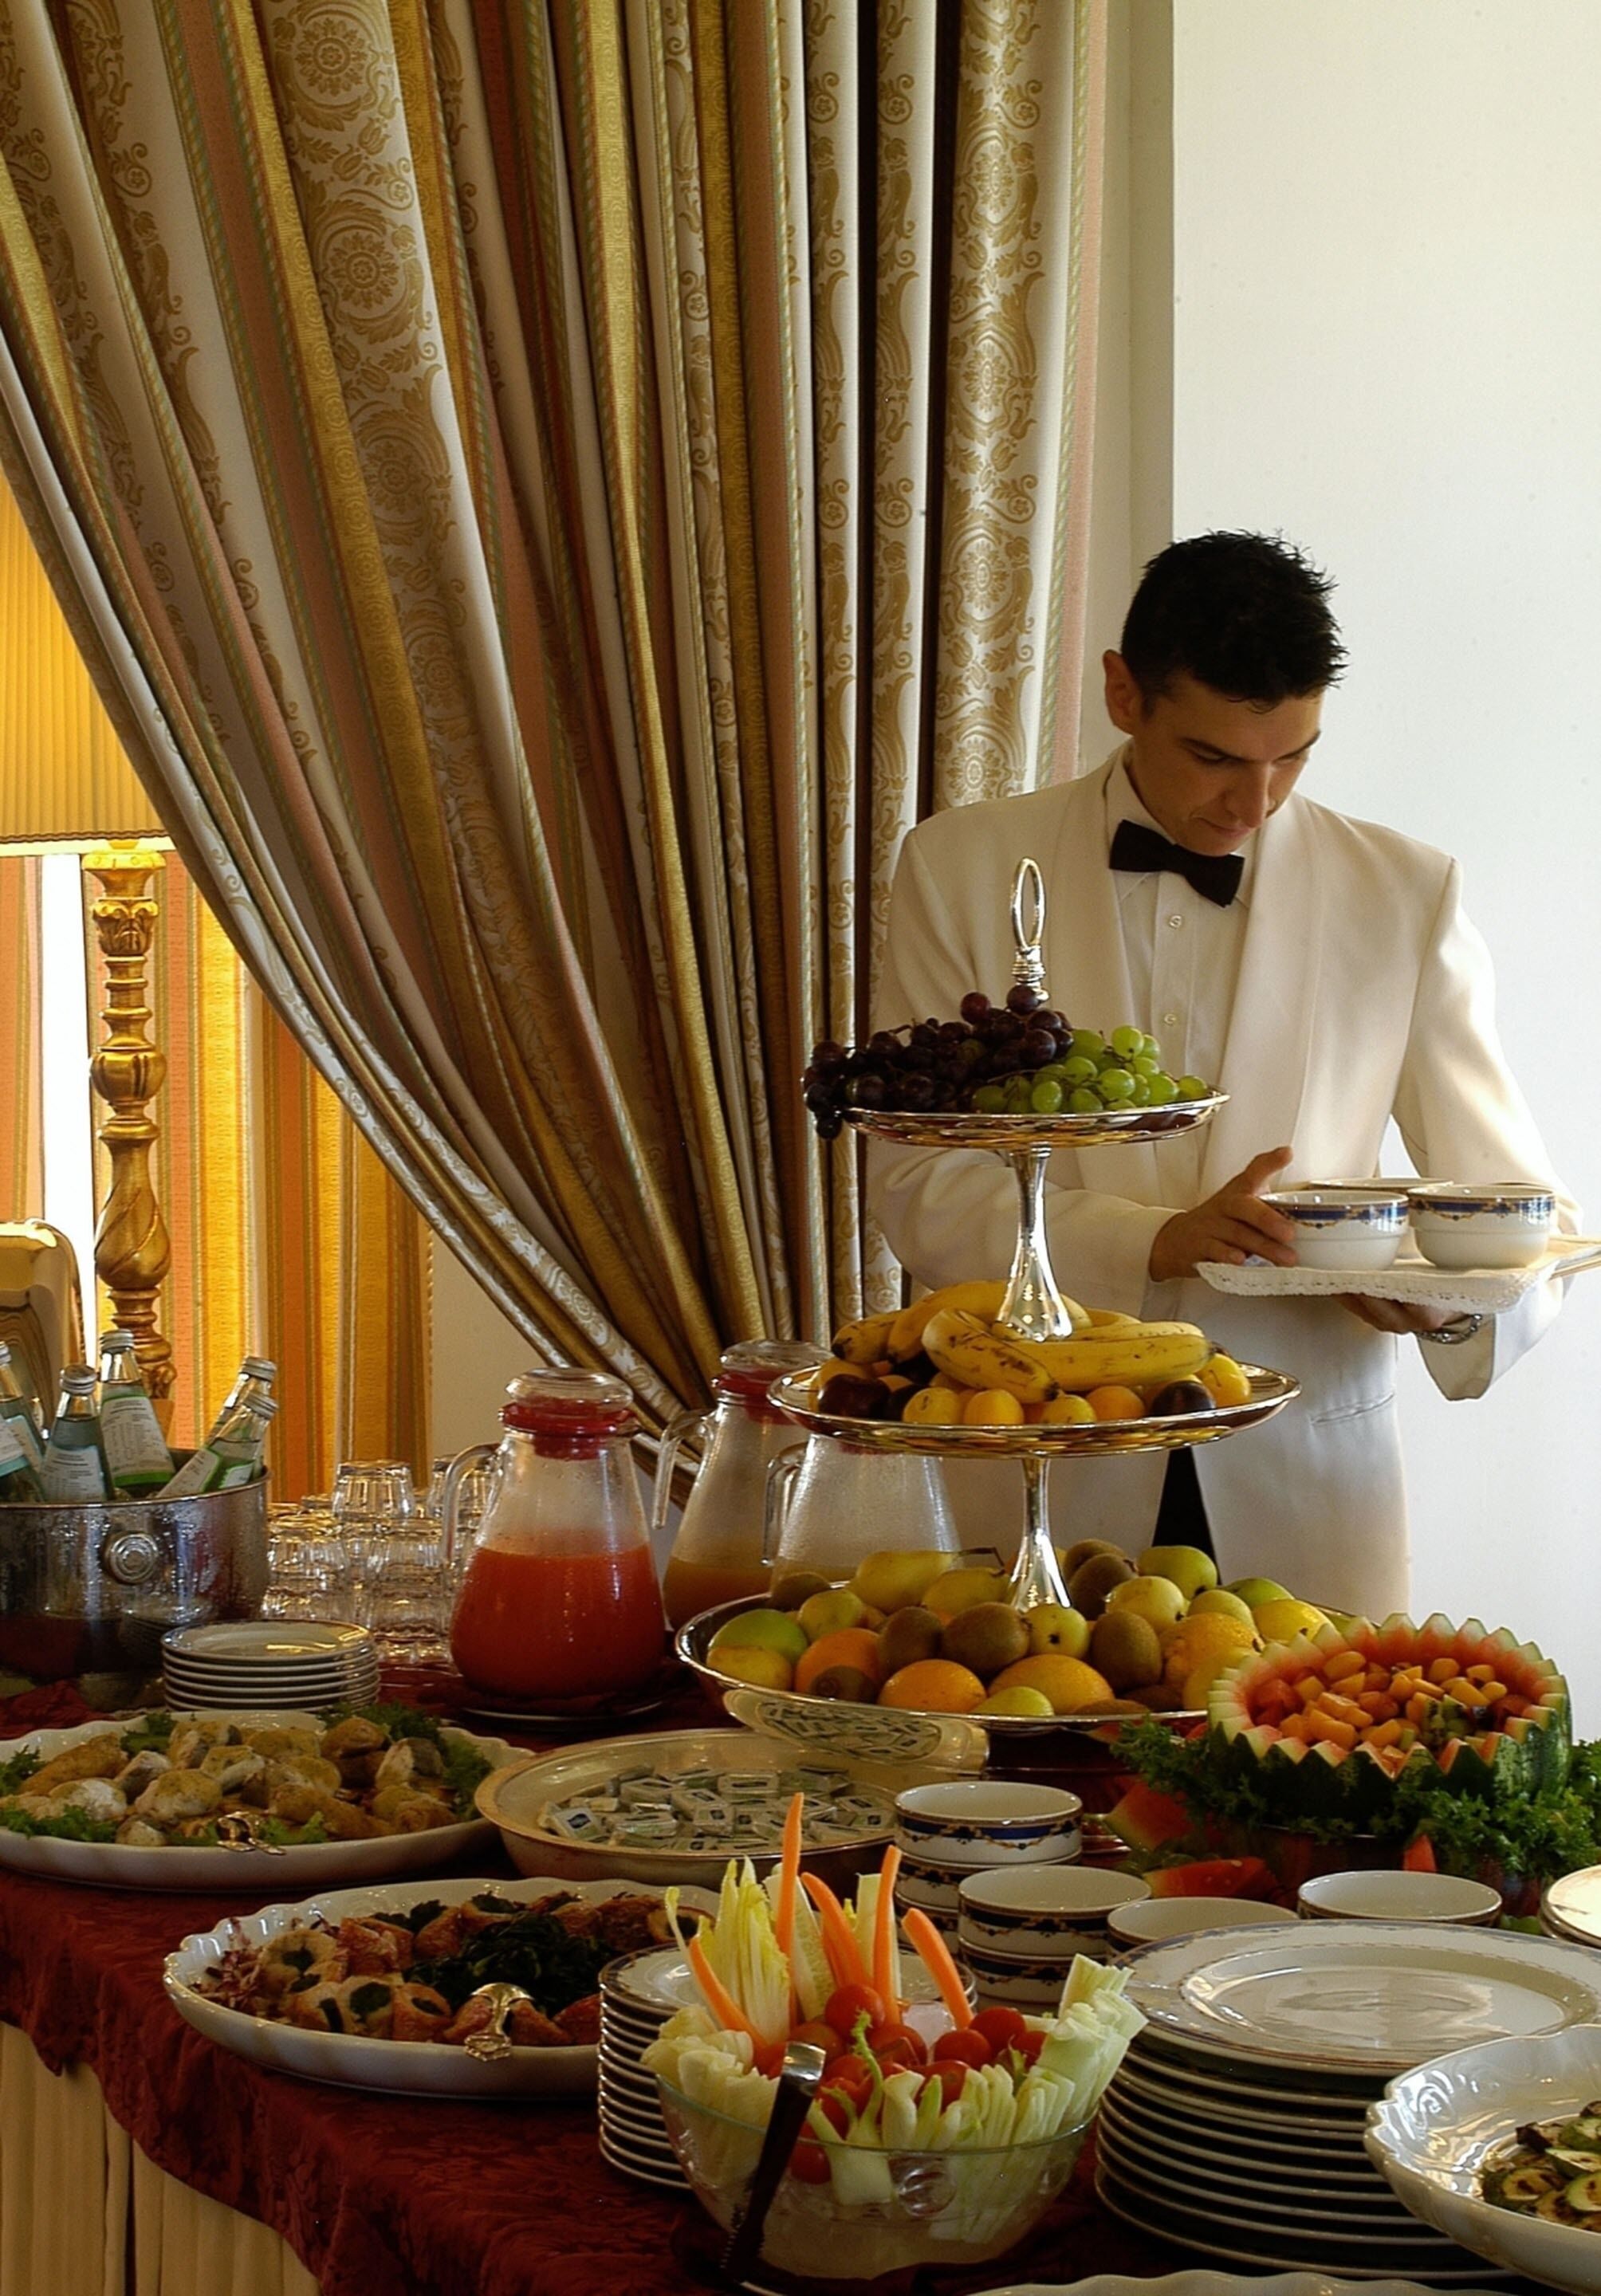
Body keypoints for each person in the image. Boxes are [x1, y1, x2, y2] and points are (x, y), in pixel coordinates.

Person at [870, 533, 1575, 1617]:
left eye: (1293, 757)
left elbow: (1519, 1209)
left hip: (1309, 1491)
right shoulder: (959, 868)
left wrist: (1439, 1304)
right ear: (1121, 692)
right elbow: (919, 1187)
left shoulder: (1405, 893)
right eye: (1215, 758)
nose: (1256, 803)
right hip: (1037, 1471)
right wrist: (1150, 1240)